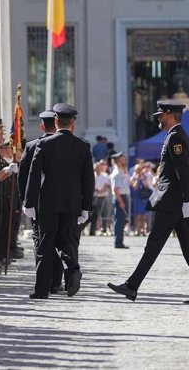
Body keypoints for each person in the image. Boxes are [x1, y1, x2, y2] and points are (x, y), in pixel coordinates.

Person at [108, 102, 189, 304]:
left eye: (161, 115)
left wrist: (186, 199)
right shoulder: (172, 136)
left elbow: (182, 171)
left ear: (171, 115)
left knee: (154, 245)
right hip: (174, 201)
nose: (158, 118)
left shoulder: (176, 137)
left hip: (172, 202)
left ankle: (132, 286)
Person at [24, 103, 95, 299]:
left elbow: (34, 174)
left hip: (48, 202)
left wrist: (29, 203)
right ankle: (72, 270)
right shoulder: (83, 146)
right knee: (68, 241)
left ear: (56, 122)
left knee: (45, 246)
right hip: (72, 204)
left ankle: (42, 290)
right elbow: (88, 179)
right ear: (73, 124)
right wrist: (86, 207)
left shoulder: (44, 144)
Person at [18, 110, 64, 294]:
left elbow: (24, 176)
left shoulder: (32, 146)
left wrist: (25, 200)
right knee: (61, 242)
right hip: (64, 203)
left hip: (38, 203)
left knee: (42, 243)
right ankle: (57, 281)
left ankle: (46, 283)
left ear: (42, 126)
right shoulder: (70, 144)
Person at [110, 152, 130, 248]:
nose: (125, 161)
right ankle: (118, 242)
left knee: (122, 221)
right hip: (120, 197)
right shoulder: (117, 173)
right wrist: (121, 201)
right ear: (118, 161)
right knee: (119, 221)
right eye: (122, 160)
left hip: (123, 196)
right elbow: (115, 189)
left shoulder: (122, 171)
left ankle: (119, 241)